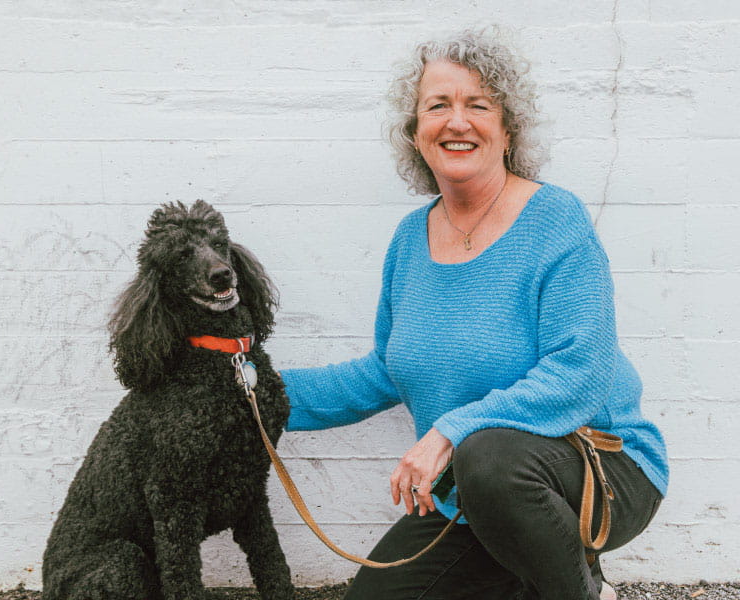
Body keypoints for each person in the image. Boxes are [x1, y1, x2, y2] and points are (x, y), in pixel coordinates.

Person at [279, 26, 667, 600]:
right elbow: (387, 370)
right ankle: (536, 572)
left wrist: (449, 430)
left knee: (487, 454)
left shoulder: (555, 220)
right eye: (438, 106)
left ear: (507, 129)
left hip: (598, 471)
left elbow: (580, 373)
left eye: (478, 105)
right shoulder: (411, 239)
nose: (457, 121)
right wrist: (255, 391)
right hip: (476, 493)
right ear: (416, 134)